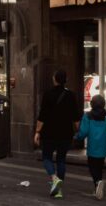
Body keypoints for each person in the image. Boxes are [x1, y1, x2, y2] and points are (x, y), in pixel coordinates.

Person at [33, 70, 80, 199]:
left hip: (49, 132)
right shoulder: (71, 95)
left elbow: (42, 115)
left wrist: (37, 132)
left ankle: (54, 178)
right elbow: (76, 117)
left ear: (54, 80)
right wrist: (78, 131)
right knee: (61, 159)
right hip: (65, 133)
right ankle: (58, 190)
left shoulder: (48, 95)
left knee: (47, 157)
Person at [75, 93, 106, 199]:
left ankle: (97, 183)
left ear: (92, 104)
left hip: (92, 146)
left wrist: (77, 137)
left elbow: (84, 131)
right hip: (103, 147)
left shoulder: (87, 116)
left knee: (92, 167)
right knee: (100, 166)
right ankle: (98, 185)